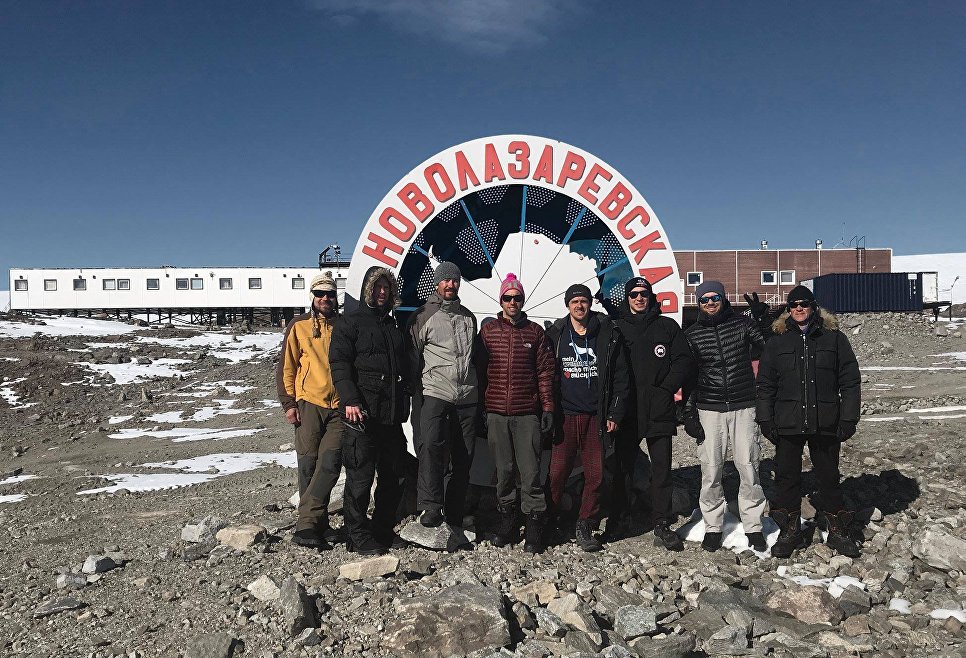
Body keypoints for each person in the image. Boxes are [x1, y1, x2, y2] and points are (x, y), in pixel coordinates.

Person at [757, 285, 862, 558]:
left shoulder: (834, 338)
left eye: (804, 304)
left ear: (814, 306)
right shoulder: (777, 342)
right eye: (793, 305)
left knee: (828, 476)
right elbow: (765, 385)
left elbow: (850, 381)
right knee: (787, 479)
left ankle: (838, 530)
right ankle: (790, 531)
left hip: (826, 421)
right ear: (788, 310)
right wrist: (765, 420)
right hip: (787, 422)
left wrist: (848, 418)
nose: (799, 309)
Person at [329, 267, 411, 556]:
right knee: (360, 479)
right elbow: (339, 365)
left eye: (386, 288)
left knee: (394, 476)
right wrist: (350, 400)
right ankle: (356, 535)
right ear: (367, 290)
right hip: (360, 415)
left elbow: (403, 369)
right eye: (377, 288)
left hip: (390, 417)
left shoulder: (392, 327)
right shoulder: (350, 323)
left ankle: (382, 529)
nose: (382, 293)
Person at [683, 281, 767, 553]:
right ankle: (712, 525)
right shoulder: (693, 334)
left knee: (748, 464)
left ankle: (753, 524)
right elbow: (690, 376)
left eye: (714, 297)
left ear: (723, 298)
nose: (710, 303)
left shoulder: (742, 324)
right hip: (710, 406)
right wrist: (689, 411)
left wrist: (763, 321)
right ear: (698, 304)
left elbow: (766, 346)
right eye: (704, 299)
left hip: (743, 403)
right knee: (711, 469)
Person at [545, 284, 630, 552]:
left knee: (595, 475)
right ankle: (551, 520)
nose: (579, 306)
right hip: (566, 416)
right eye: (574, 301)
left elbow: (620, 377)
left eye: (583, 301)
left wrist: (615, 412)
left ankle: (586, 524)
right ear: (567, 305)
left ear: (590, 304)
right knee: (557, 473)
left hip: (596, 415)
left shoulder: (606, 333)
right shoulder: (556, 335)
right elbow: (546, 375)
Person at [612, 276, 694, 551]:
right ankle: (620, 518)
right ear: (627, 297)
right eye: (633, 293)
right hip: (628, 410)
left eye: (643, 293)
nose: (638, 298)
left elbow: (683, 360)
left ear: (650, 296)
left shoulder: (666, 326)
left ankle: (661, 521)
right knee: (622, 467)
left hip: (659, 408)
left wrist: (667, 387)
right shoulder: (618, 328)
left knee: (661, 470)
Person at [476, 273, 555, 553]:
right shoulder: (488, 332)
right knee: (504, 471)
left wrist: (547, 408)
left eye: (517, 297)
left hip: (526, 413)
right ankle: (507, 522)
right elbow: (478, 373)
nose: (512, 302)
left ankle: (534, 526)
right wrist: (480, 409)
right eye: (507, 297)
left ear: (522, 300)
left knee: (531, 471)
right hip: (496, 412)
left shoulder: (534, 332)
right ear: (501, 300)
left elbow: (545, 372)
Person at [408, 261, 479, 529]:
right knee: (432, 450)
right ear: (437, 283)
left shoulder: (468, 317)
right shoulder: (423, 316)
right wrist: (417, 394)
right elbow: (413, 358)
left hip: (467, 396)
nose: (450, 285)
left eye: (455, 280)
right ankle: (431, 507)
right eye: (445, 280)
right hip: (436, 392)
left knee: (463, 456)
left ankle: (455, 510)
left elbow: (475, 358)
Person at [276, 273, 344, 550]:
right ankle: (318, 523)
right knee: (308, 464)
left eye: (329, 293)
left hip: (339, 405)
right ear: (312, 296)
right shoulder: (299, 326)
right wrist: (289, 404)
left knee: (329, 463)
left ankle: (306, 524)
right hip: (309, 402)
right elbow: (287, 367)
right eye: (320, 294)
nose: (325, 298)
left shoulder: (343, 326)